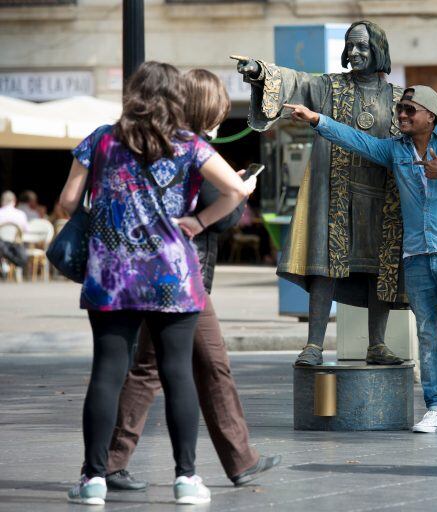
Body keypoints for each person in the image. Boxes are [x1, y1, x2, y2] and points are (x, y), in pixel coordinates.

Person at [58, 61, 256, 506]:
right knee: (177, 373)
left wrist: (106, 219)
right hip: (173, 274)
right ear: (174, 99)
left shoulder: (101, 139)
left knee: (106, 374)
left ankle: (93, 480)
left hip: (111, 278)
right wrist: (198, 220)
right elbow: (237, 192)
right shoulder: (189, 145)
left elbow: (67, 202)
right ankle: (186, 478)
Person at [103, 69, 281, 494]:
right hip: (185, 277)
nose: (223, 120)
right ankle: (232, 462)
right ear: (207, 111)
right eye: (219, 112)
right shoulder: (193, 151)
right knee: (209, 365)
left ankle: (112, 461)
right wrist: (241, 191)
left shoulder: (163, 146)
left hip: (155, 273)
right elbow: (220, 219)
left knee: (151, 367)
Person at [284, 85, 437, 434]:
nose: (401, 115)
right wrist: (317, 119)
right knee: (428, 336)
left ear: (430, 114)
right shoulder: (395, 150)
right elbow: (355, 140)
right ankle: (436, 408)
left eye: (410, 110)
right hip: (416, 257)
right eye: (400, 109)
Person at [235, 20, 406, 366]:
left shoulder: (400, 98)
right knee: (324, 267)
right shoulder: (329, 87)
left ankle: (377, 344)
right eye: (350, 46)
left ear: (379, 51)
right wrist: (259, 72)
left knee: (380, 268)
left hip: (384, 198)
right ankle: (313, 345)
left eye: (362, 47)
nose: (354, 52)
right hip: (335, 194)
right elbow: (295, 80)